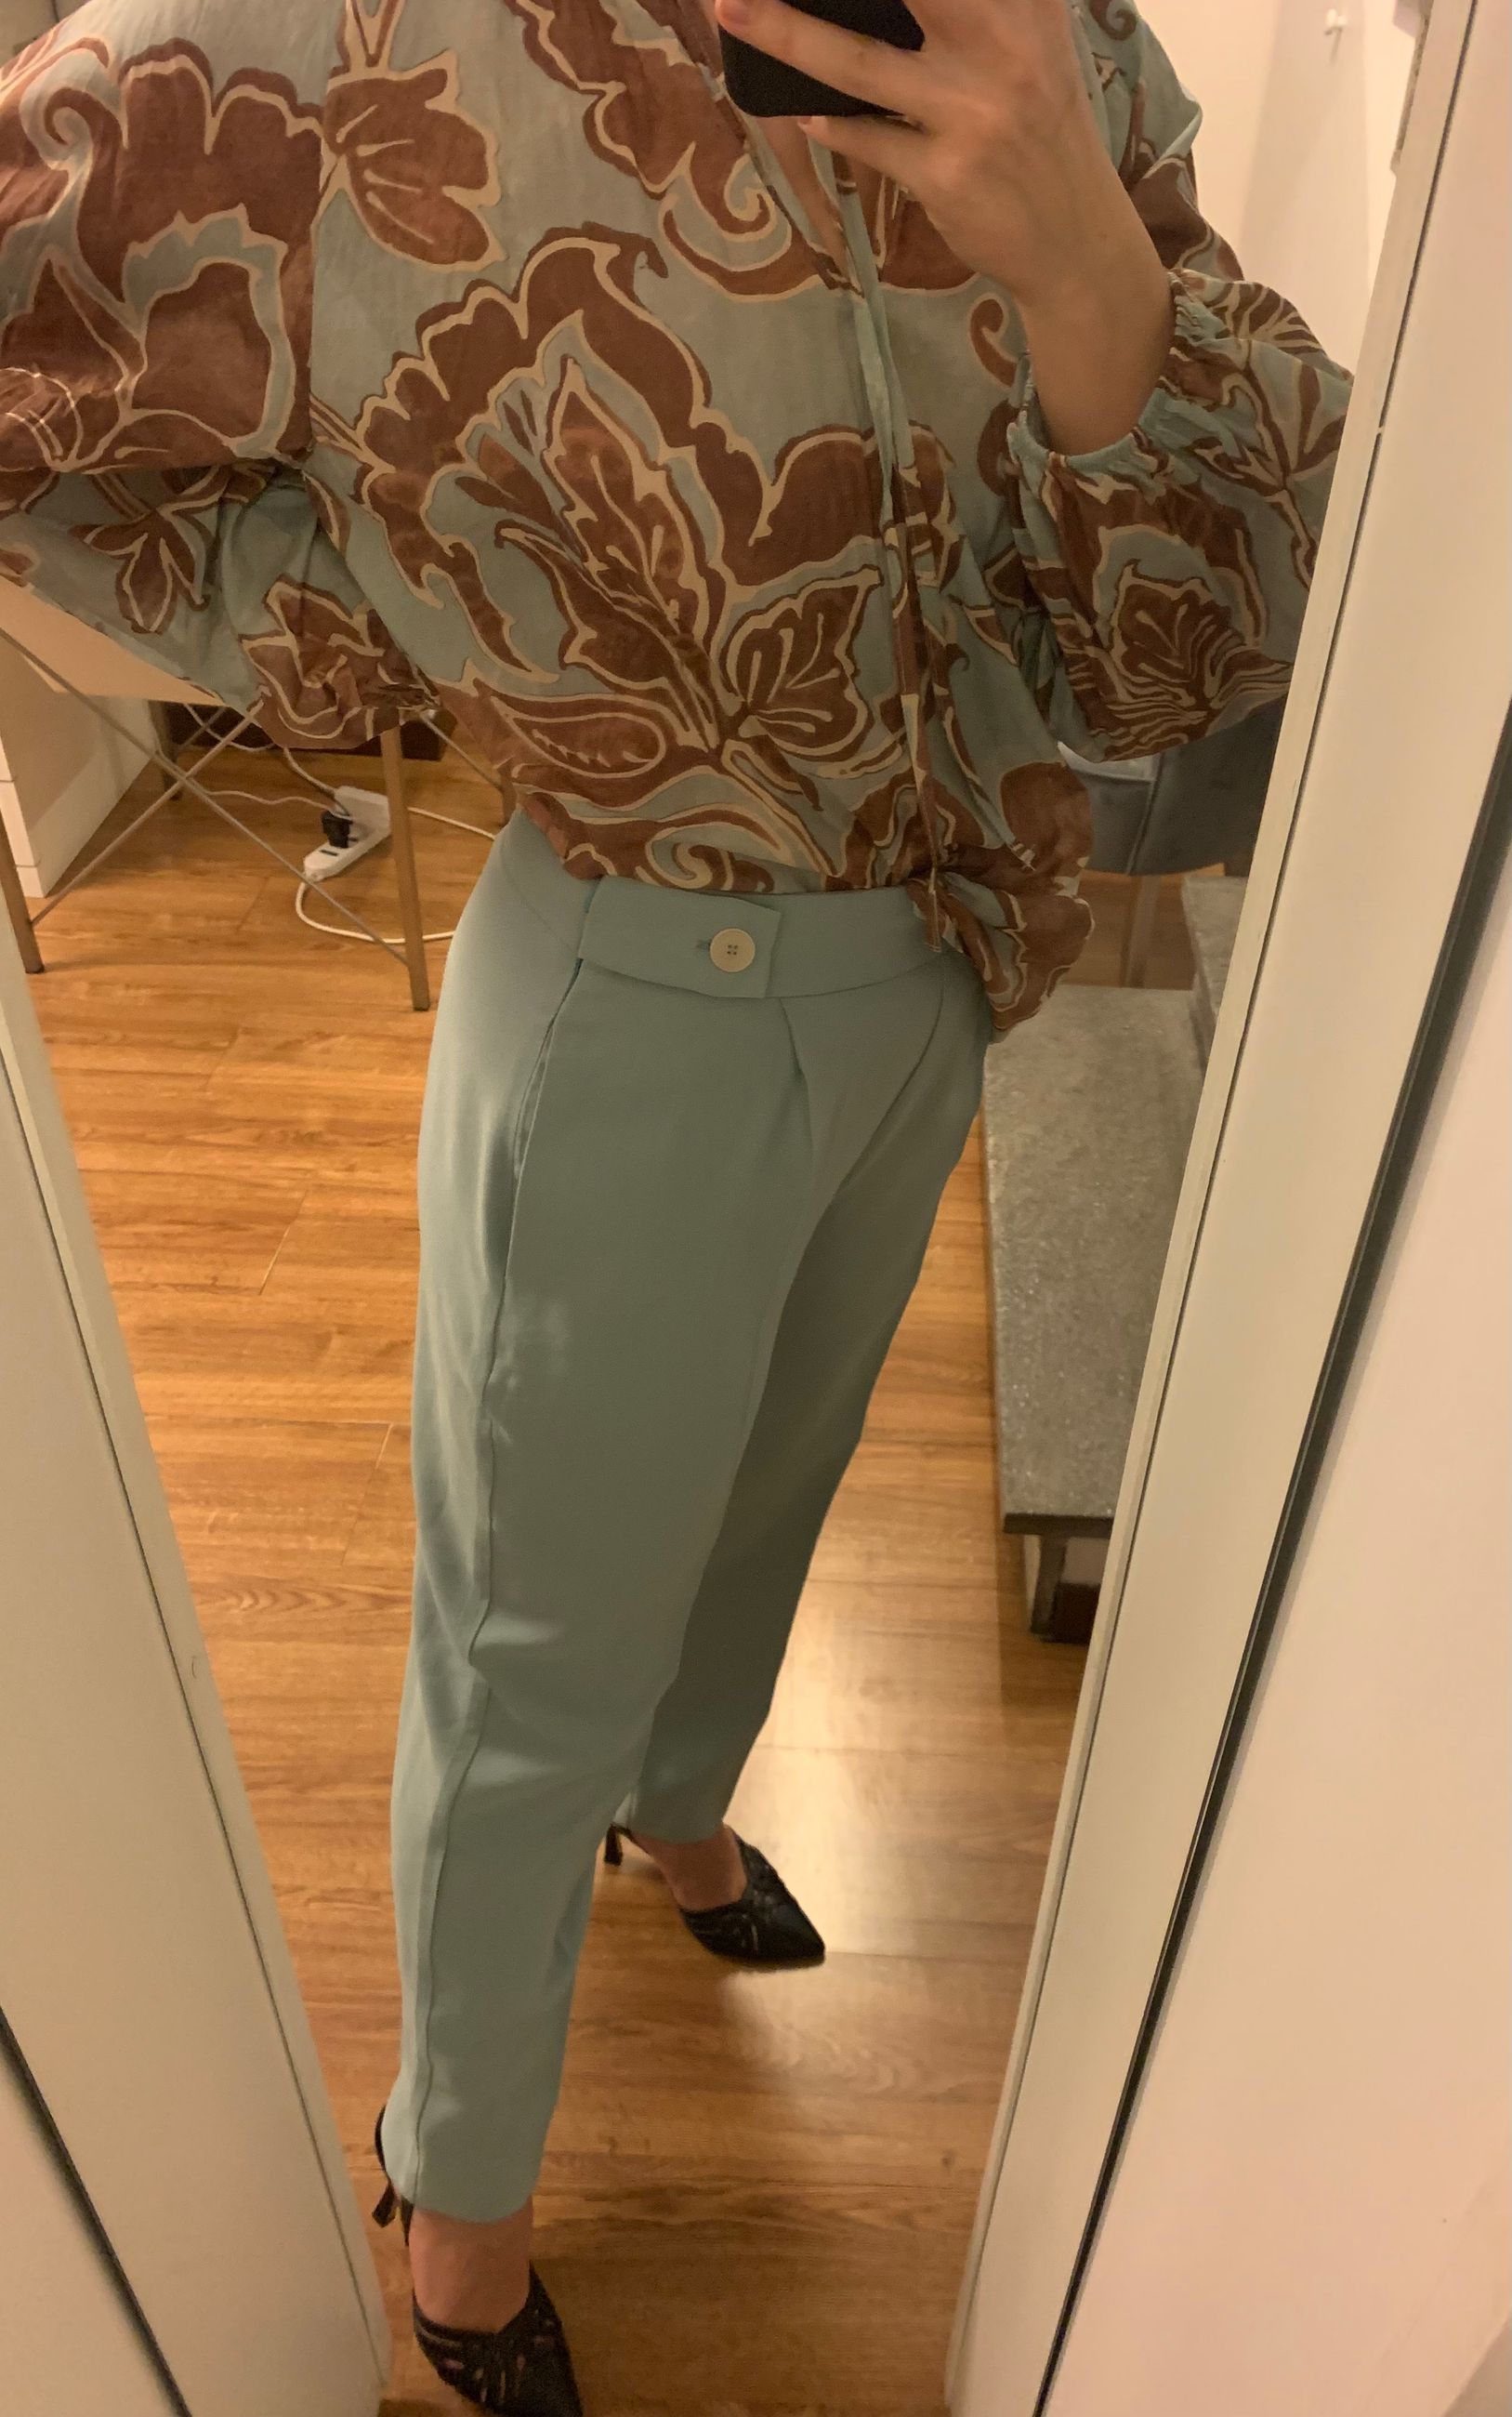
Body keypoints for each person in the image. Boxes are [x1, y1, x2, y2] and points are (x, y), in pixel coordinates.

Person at [0, 1, 1351, 2406]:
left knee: (766, 1494)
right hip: (631, 988)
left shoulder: (1043, 31)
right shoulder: (340, 39)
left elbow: (1206, 645)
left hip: (945, 956)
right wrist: (357, 612)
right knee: (530, 1636)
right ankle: (458, 2196)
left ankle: (684, 1807)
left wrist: (1084, 266)